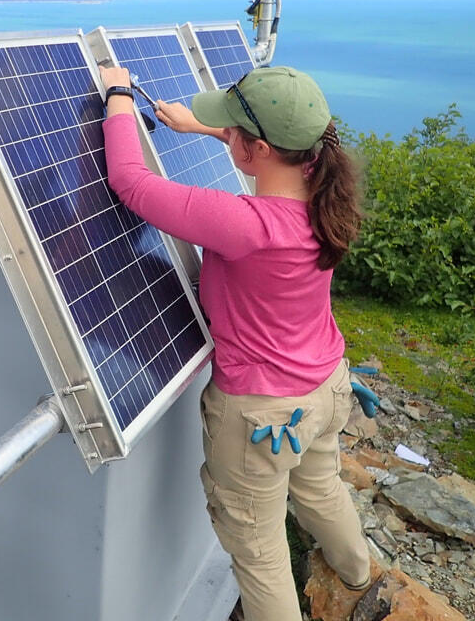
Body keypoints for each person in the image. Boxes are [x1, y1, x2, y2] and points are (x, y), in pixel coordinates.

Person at [99, 65, 372, 621]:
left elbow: (131, 183)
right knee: (321, 488)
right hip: (327, 386)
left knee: (259, 549)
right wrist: (197, 126)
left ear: (260, 149)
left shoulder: (244, 223)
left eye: (232, 130)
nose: (226, 134)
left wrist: (118, 96)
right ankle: (359, 578)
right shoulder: (322, 185)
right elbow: (267, 147)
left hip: (262, 417)